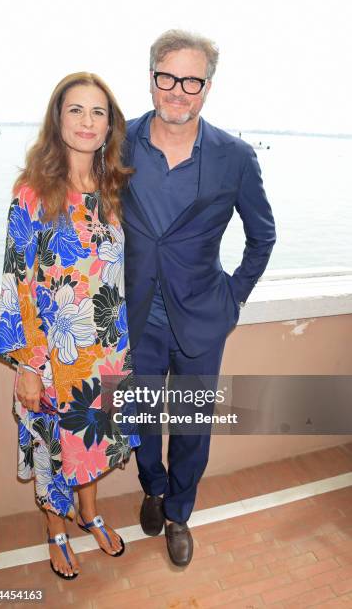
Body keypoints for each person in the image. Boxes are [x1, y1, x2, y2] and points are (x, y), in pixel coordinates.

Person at [122, 29, 277, 566]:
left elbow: (262, 237)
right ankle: (153, 486)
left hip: (201, 323)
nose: (178, 91)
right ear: (152, 79)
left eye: (192, 80)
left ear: (207, 87)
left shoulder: (234, 157)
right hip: (134, 320)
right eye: (168, 77)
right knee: (137, 418)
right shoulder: (117, 142)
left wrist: (231, 299)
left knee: (191, 428)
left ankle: (178, 513)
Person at [0, 72, 140, 579]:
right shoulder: (32, 191)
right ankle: (55, 533)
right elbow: (18, 281)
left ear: (109, 125)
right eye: (75, 109)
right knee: (55, 449)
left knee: (93, 443)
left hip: (106, 352)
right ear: (58, 119)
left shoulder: (113, 189)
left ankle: (90, 513)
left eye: (97, 111)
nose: (87, 121)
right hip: (54, 354)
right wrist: (29, 366)